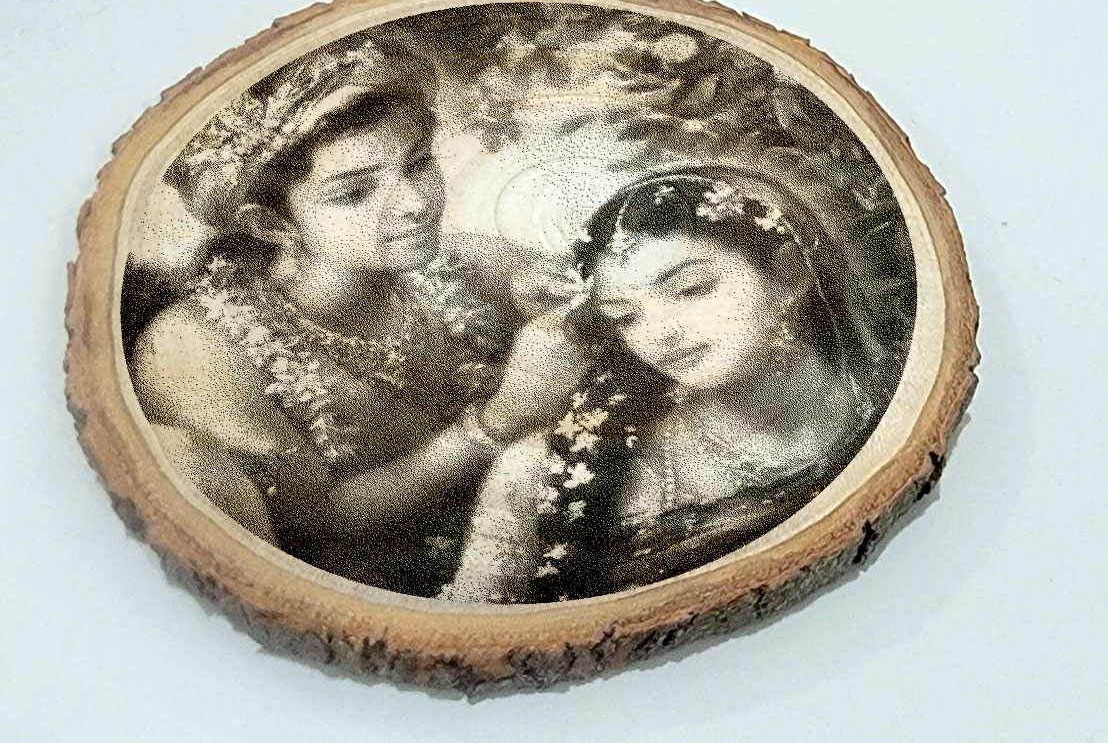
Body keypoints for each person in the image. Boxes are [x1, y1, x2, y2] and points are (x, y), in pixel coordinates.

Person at [129, 34, 587, 597]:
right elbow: (311, 524)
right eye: (354, 193)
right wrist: (499, 421)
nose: (415, 203)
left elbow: (574, 295)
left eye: (418, 164)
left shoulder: (454, 263)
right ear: (270, 224)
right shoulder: (192, 348)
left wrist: (559, 308)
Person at [439, 163, 915, 603]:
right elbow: (476, 633)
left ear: (787, 276)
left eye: (690, 288)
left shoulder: (888, 398)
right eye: (625, 317)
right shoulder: (546, 469)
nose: (658, 333)